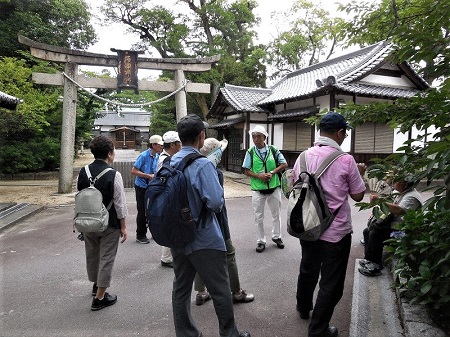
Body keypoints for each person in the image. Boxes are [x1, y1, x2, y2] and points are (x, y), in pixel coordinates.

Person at [170, 114, 250, 337]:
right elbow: (215, 203)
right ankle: (229, 333)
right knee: (220, 289)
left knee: (181, 288)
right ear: (201, 137)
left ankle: (186, 333)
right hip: (203, 237)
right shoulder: (202, 165)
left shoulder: (169, 162)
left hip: (177, 236)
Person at [292, 112, 367, 337]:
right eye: (345, 133)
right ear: (339, 132)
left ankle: (303, 307)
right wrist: (360, 174)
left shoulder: (302, 157)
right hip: (336, 231)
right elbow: (358, 195)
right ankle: (319, 330)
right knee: (331, 282)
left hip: (308, 226)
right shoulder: (345, 160)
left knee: (308, 268)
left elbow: (296, 186)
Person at [194, 137, 254, 305]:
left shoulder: (195, 166)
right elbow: (216, 203)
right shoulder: (215, 171)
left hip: (197, 222)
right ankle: (236, 292)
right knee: (229, 254)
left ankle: (201, 292)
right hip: (217, 221)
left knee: (201, 256)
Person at [76, 135, 128, 311]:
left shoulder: (83, 172)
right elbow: (120, 203)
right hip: (109, 223)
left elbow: (79, 198)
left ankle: (95, 286)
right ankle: (100, 298)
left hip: (87, 222)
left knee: (93, 256)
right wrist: (123, 226)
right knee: (106, 258)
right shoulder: (114, 174)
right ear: (110, 153)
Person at [359, 173, 423, 277]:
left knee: (376, 233)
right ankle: (369, 260)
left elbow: (399, 210)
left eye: (397, 180)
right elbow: (387, 195)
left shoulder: (412, 197)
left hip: (403, 233)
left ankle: (375, 266)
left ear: (404, 185)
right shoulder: (401, 192)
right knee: (367, 231)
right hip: (395, 229)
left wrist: (380, 201)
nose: (394, 182)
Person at [242, 125, 288, 253]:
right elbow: (246, 170)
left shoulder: (273, 150)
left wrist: (272, 172)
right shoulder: (250, 152)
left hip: (274, 187)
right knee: (258, 217)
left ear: (264, 137)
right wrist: (259, 176)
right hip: (258, 189)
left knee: (276, 214)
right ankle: (261, 240)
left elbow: (284, 164)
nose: (256, 139)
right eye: (253, 136)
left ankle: (277, 236)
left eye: (258, 136)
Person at [156, 130, 182, 268]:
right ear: (172, 145)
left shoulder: (162, 157)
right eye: (179, 143)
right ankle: (166, 258)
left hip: (163, 196)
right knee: (170, 227)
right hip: (167, 197)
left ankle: (167, 256)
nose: (181, 146)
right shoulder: (167, 160)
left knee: (169, 226)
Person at [131, 135, 163, 244]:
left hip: (152, 186)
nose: (161, 146)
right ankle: (140, 235)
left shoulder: (158, 156)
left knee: (153, 209)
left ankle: (154, 232)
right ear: (153, 145)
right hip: (141, 186)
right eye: (160, 144)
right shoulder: (143, 156)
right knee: (142, 210)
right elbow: (134, 171)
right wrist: (148, 176)